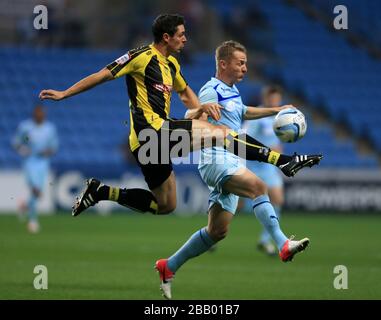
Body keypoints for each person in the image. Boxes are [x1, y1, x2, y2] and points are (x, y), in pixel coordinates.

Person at [39, 14, 320, 219]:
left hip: (153, 143)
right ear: (166, 37)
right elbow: (102, 74)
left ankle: (101, 192)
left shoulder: (171, 64)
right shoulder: (140, 56)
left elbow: (186, 95)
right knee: (222, 135)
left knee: (166, 206)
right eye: (181, 34)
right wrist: (65, 93)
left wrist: (202, 110)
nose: (186, 39)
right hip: (152, 133)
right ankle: (283, 161)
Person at [154, 40, 322, 299]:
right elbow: (191, 118)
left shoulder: (231, 91)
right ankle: (282, 243)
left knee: (217, 231)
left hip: (231, 160)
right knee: (258, 187)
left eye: (245, 63)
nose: (245, 68)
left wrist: (276, 110)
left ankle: (168, 266)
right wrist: (198, 111)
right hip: (215, 158)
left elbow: (243, 112)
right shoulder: (211, 90)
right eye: (240, 63)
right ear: (224, 64)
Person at [242, 86, 286, 256]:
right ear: (266, 99)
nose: (276, 102)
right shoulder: (258, 117)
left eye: (278, 99)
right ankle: (212, 234)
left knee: (278, 200)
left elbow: (277, 142)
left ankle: (265, 240)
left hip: (268, 167)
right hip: (252, 165)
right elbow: (245, 137)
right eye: (273, 99)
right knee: (235, 204)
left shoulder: (281, 118)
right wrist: (269, 149)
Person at [12, 105, 59, 233]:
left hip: (43, 163)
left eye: (42, 113)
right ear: (34, 113)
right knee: (36, 190)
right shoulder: (25, 127)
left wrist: (47, 151)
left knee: (37, 192)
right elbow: (16, 142)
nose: (40, 115)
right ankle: (33, 220)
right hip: (29, 162)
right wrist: (22, 149)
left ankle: (25, 206)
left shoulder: (50, 128)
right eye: (37, 112)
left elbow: (54, 147)